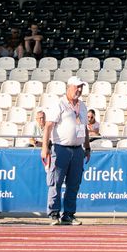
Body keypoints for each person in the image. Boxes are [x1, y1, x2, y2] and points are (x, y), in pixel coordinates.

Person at [37, 76, 95, 226]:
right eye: (77, 87)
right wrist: (44, 147)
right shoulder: (59, 104)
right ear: (69, 87)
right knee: (55, 182)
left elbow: (85, 129)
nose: (79, 90)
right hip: (60, 148)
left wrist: (87, 147)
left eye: (81, 87)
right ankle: (54, 213)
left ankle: (68, 214)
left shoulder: (82, 106)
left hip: (77, 150)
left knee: (74, 183)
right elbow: (48, 126)